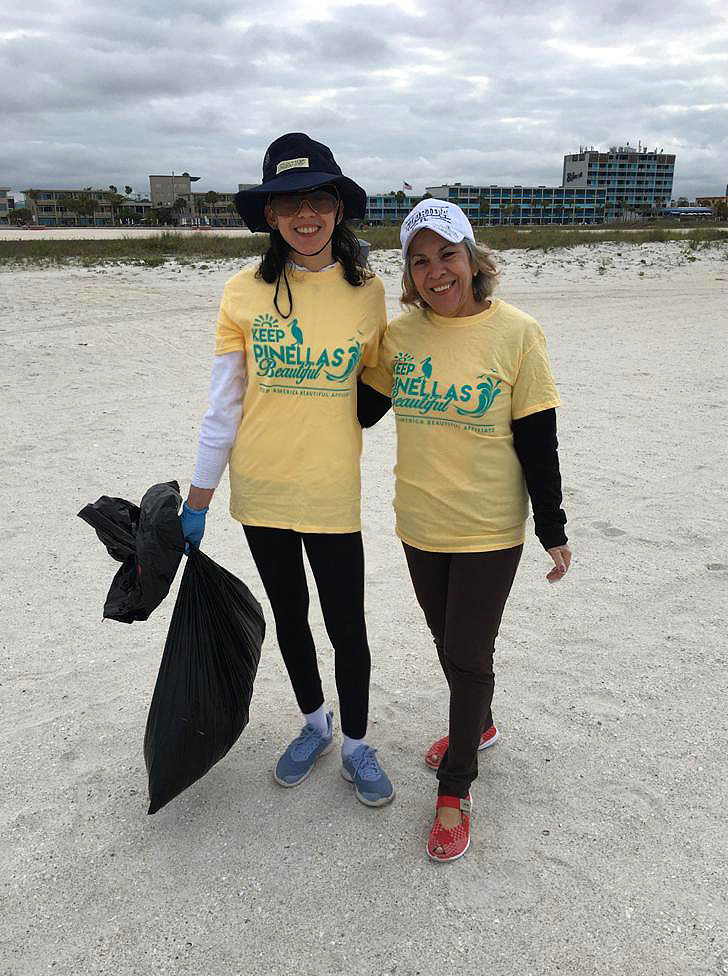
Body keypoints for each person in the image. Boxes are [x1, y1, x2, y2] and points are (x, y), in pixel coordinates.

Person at [181, 133, 394, 808]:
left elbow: (380, 383)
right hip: (262, 490)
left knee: (346, 625)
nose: (306, 214)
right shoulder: (242, 293)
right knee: (291, 615)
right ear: (269, 215)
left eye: (318, 199)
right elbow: (223, 408)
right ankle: (314, 724)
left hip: (332, 489)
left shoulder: (368, 291)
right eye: (288, 202)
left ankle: (358, 745)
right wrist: (198, 500)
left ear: (338, 208)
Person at [358, 199, 571, 859]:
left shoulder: (518, 333)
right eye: (419, 261)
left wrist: (552, 527)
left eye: (446, 254)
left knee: (469, 655)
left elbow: (538, 440)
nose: (435, 271)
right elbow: (360, 411)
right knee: (446, 639)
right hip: (419, 521)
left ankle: (456, 787)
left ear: (472, 259)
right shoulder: (402, 335)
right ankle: (475, 724)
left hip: (487, 527)